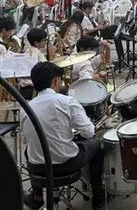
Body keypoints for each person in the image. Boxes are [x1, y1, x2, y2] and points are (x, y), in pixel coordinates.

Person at [20, 62, 105, 210]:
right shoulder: (67, 102)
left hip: (38, 169)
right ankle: (98, 199)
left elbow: (28, 138)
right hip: (65, 166)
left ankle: (37, 196)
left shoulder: (25, 109)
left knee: (29, 149)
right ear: (56, 81)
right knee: (97, 145)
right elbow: (89, 132)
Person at [20, 28, 54, 100]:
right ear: (36, 43)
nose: (46, 42)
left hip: (23, 89)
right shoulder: (37, 54)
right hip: (34, 90)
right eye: (44, 40)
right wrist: (51, 56)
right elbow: (48, 71)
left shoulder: (27, 51)